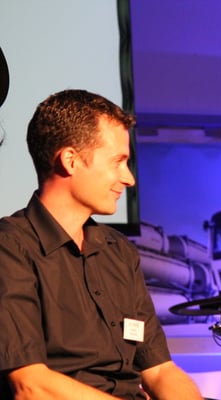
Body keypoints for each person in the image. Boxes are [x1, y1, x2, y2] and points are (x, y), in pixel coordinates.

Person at [0, 89, 204, 400]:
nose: (129, 178)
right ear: (70, 161)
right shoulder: (10, 247)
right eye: (118, 162)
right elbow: (31, 385)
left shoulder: (119, 251)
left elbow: (161, 370)